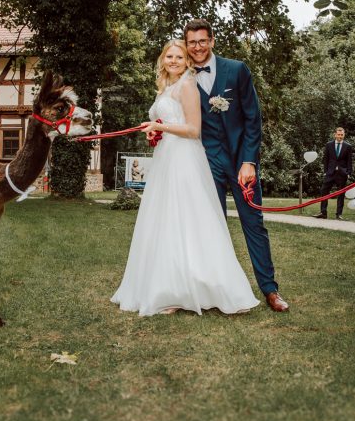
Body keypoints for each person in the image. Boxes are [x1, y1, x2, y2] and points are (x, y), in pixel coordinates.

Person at [111, 40, 259, 316]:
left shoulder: (187, 85)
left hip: (185, 159)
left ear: (187, 60)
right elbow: (169, 125)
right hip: (167, 158)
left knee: (188, 219)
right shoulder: (166, 87)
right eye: (170, 55)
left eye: (180, 56)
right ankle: (169, 288)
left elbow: (193, 129)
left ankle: (204, 287)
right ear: (162, 59)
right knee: (165, 220)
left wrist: (159, 125)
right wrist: (156, 131)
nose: (175, 60)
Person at [183, 19, 289, 312]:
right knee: (209, 228)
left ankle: (270, 290)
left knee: (254, 224)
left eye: (202, 41)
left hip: (240, 161)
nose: (197, 47)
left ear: (212, 41)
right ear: (186, 44)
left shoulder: (237, 70)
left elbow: (253, 119)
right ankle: (212, 292)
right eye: (192, 42)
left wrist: (248, 162)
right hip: (205, 163)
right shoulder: (182, 75)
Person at [314, 127, 353, 220]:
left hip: (342, 173)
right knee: (324, 191)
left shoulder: (348, 146)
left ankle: (338, 214)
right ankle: (323, 213)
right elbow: (326, 159)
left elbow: (349, 161)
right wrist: (325, 172)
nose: (340, 136)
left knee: (341, 194)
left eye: (342, 135)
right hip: (330, 172)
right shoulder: (329, 145)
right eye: (338, 134)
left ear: (344, 135)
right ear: (335, 135)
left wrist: (348, 172)